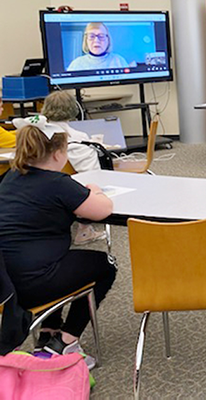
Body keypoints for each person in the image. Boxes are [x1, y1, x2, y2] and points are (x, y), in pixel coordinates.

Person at [0, 117, 116, 369]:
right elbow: (103, 210)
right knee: (106, 266)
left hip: (6, 284)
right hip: (36, 282)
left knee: (61, 263)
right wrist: (95, 190)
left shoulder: (10, 179)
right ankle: (66, 341)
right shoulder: (59, 183)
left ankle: (47, 333)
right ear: (57, 155)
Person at [40, 91, 106, 245]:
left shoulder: (34, 134)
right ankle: (85, 230)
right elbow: (92, 174)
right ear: (72, 109)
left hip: (40, 189)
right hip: (72, 187)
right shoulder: (78, 138)